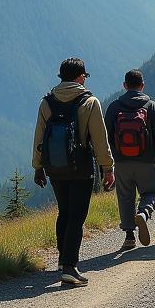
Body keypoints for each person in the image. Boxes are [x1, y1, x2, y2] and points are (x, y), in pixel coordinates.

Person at [33, 57, 115, 285]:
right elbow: (100, 139)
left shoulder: (46, 102)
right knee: (77, 217)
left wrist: (38, 167)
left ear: (61, 77)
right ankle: (70, 267)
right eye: (85, 76)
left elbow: (39, 137)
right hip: (81, 167)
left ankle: (62, 260)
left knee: (64, 212)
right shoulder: (90, 102)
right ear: (81, 77)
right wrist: (108, 168)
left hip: (55, 167)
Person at [104, 69, 155, 251]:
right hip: (146, 160)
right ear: (142, 86)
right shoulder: (151, 106)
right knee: (150, 191)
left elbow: (106, 137)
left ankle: (129, 237)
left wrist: (109, 161)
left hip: (122, 162)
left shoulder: (114, 107)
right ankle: (144, 212)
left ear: (125, 85)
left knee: (125, 197)